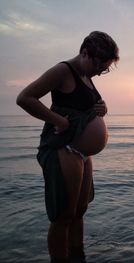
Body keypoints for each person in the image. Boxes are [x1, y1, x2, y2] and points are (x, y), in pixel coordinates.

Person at [16, 31, 119, 263]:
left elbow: (82, 107)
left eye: (105, 69)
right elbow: (25, 98)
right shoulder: (63, 71)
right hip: (65, 149)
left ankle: (77, 256)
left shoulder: (86, 75)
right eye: (100, 66)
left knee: (79, 212)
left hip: (82, 154)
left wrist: (102, 108)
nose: (101, 72)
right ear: (85, 53)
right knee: (63, 216)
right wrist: (58, 120)